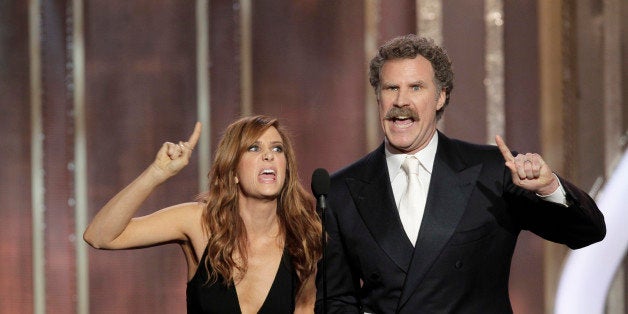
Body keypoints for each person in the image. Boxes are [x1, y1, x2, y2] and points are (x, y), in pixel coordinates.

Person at [315, 34, 606, 313]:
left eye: (416, 87)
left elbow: (588, 232)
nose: (400, 101)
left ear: (441, 96)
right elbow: (334, 300)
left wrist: (549, 187)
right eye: (391, 88)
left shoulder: (493, 171)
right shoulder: (341, 190)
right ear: (378, 97)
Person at [84, 115, 322, 314]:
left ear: (286, 168)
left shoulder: (304, 235)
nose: (269, 155)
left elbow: (306, 308)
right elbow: (100, 236)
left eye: (277, 148)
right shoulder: (199, 222)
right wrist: (156, 173)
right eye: (254, 148)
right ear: (233, 171)